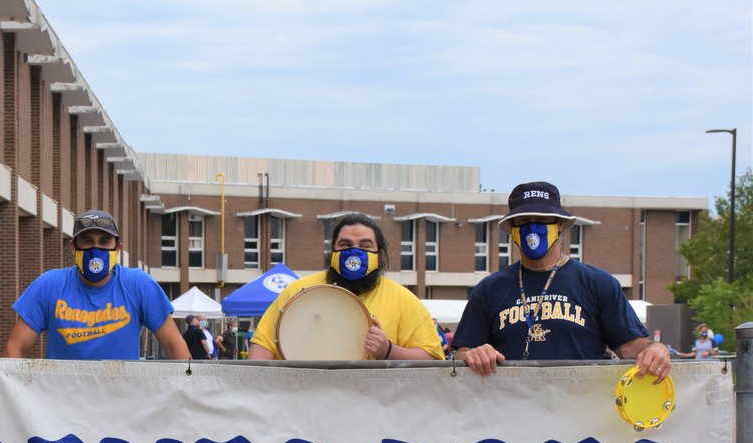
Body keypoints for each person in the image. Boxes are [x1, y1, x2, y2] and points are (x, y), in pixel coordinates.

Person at [455, 181, 671, 383]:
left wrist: (654, 349)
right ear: (512, 228)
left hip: (579, 409)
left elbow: (629, 345)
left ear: (559, 225)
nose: (532, 229)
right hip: (511, 410)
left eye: (541, 221)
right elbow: (462, 353)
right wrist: (473, 354)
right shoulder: (490, 288)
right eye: (522, 222)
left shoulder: (597, 282)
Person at [249, 213, 444, 360]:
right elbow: (262, 345)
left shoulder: (402, 299)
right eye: (345, 244)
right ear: (332, 250)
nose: (354, 252)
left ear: (379, 254)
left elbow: (433, 357)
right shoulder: (298, 292)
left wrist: (389, 351)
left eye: (365, 245)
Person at [4, 209, 189, 360]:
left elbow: (175, 346)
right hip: (62, 401)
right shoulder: (49, 285)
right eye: (87, 241)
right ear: (73, 247)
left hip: (122, 400)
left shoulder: (138, 284)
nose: (96, 248)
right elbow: (14, 348)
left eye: (104, 241)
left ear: (117, 249)